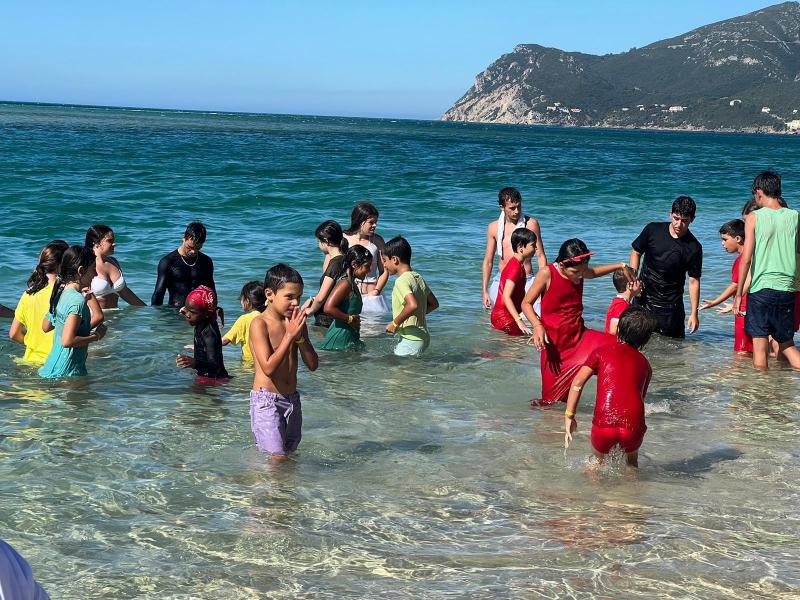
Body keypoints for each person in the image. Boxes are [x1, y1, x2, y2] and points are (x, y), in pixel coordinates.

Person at [521, 239, 635, 405]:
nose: (581, 276)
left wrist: (621, 265)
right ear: (561, 265)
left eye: (583, 271)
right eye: (576, 272)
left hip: (581, 338)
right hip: (555, 350)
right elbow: (526, 303)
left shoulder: (580, 270)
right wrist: (537, 325)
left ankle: (618, 403)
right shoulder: (547, 273)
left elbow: (593, 272)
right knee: (550, 403)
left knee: (622, 351)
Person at [564, 306, 657, 469]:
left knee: (596, 464)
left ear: (619, 328)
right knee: (632, 464)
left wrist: (569, 417)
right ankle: (630, 494)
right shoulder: (645, 365)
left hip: (604, 423)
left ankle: (589, 493)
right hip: (633, 426)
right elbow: (640, 398)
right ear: (646, 339)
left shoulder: (601, 352)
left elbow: (577, 384)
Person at [248, 264, 319, 460]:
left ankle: (286, 490)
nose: (296, 303)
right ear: (269, 294)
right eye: (289, 297)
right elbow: (268, 367)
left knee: (290, 453)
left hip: (292, 400)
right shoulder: (259, 324)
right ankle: (267, 490)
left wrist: (300, 338)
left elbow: (313, 365)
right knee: (277, 457)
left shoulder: (296, 323)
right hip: (267, 401)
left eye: (298, 297)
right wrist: (289, 336)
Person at [735, 171, 800, 370]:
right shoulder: (795, 216)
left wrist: (739, 294)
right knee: (786, 343)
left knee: (760, 347)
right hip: (788, 288)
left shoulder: (754, 217)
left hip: (761, 289)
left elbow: (746, 259)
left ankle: (762, 396)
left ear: (759, 192)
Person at [630, 196, 703, 338]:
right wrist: (634, 278)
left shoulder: (694, 247)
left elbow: (694, 281)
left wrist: (694, 313)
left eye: (684, 221)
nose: (679, 224)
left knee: (672, 351)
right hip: (643, 299)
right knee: (636, 341)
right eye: (676, 218)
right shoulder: (652, 230)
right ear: (670, 214)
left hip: (671, 307)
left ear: (692, 219)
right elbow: (636, 252)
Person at [38, 246, 107, 378]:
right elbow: (67, 341)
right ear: (81, 270)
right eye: (93, 269)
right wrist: (97, 336)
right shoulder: (77, 301)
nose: (95, 274)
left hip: (51, 367)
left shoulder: (60, 294)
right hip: (67, 372)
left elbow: (46, 327)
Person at [481, 187, 547, 309]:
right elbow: (488, 261)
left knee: (532, 318)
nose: (517, 211)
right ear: (502, 207)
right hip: (502, 279)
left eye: (519, 206)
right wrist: (484, 290)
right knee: (495, 320)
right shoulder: (493, 227)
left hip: (526, 280)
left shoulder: (531, 224)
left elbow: (540, 255)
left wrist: (542, 284)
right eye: (512, 208)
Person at [9, 240, 69, 364]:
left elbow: (14, 334)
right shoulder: (66, 294)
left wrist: (32, 343)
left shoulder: (28, 294)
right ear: (62, 264)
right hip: (56, 364)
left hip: (28, 361)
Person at [698, 219, 752, 353]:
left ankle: (733, 373)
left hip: (743, 309)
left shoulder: (742, 260)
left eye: (725, 239)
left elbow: (735, 286)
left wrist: (714, 302)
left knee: (741, 351)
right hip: (754, 308)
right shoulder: (754, 256)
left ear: (738, 238)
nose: (722, 244)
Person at [382, 236, 439, 356]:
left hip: (412, 338)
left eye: (385, 260)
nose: (384, 265)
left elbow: (412, 305)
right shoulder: (417, 277)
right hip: (422, 337)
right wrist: (416, 315)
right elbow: (434, 304)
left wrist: (395, 323)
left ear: (395, 260)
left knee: (398, 372)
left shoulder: (401, 281)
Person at [320, 245, 372, 351]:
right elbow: (328, 308)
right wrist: (350, 319)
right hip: (340, 337)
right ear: (354, 264)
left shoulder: (351, 283)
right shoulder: (345, 283)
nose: (369, 270)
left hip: (348, 335)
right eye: (367, 266)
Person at [152, 222, 215, 307]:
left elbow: (211, 291)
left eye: (198, 248)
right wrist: (156, 318)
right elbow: (158, 293)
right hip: (175, 312)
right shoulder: (168, 262)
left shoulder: (206, 261)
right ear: (184, 238)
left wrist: (214, 310)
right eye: (190, 247)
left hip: (199, 313)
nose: (193, 252)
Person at [85, 224, 146, 309]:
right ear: (96, 242)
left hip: (116, 317)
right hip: (95, 319)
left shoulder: (113, 262)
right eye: (110, 241)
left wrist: (147, 309)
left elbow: (125, 293)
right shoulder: (87, 265)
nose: (114, 244)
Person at [343, 202, 389, 314]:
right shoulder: (344, 238)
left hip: (372, 296)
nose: (375, 225)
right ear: (360, 221)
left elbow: (384, 271)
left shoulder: (377, 240)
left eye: (376, 222)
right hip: (350, 294)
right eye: (371, 222)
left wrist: (377, 291)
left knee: (372, 331)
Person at [176, 285, 229, 380]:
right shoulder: (201, 321)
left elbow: (215, 366)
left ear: (206, 315)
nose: (187, 315)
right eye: (186, 309)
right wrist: (187, 310)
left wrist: (195, 363)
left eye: (191, 312)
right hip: (205, 375)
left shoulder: (209, 333)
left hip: (215, 379)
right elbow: (191, 311)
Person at [491, 228, 537, 336]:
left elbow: (520, 297)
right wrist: (519, 321)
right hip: (503, 317)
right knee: (519, 346)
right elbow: (506, 296)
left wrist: (533, 314)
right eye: (533, 245)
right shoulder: (515, 267)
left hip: (505, 316)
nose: (536, 248)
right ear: (520, 247)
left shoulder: (518, 264)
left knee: (514, 346)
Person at [304, 220, 349, 327]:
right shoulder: (344, 260)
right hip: (337, 317)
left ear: (326, 241)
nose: (318, 245)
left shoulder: (334, 264)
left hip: (326, 321)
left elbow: (321, 297)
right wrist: (313, 300)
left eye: (319, 241)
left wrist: (309, 310)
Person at [222, 281, 266, 362]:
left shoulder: (244, 319)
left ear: (247, 301)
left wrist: (199, 346)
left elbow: (224, 341)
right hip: (266, 362)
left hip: (249, 365)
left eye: (241, 300)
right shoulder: (268, 316)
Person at [605, 268, 643, 336]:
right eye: (637, 280)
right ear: (629, 285)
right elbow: (613, 330)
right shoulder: (621, 305)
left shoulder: (621, 302)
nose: (640, 282)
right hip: (614, 344)